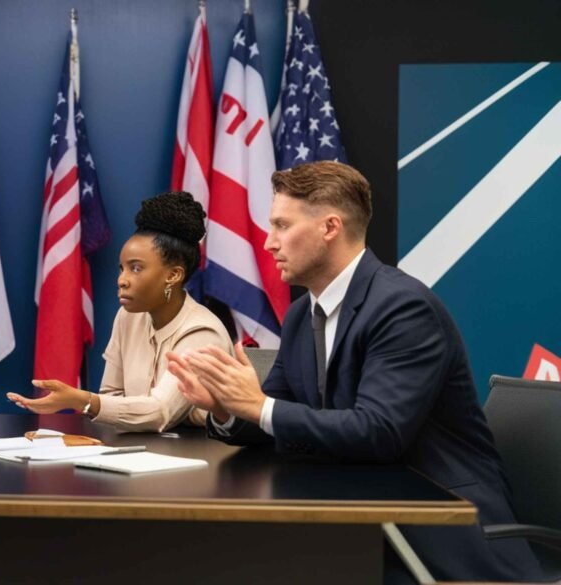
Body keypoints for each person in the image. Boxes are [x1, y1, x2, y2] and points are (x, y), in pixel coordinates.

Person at [166, 161, 541, 582]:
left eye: (282, 226)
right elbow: (276, 415)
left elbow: (379, 431)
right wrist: (226, 407)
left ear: (330, 227)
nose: (269, 243)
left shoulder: (402, 308)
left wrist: (258, 405)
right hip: (358, 514)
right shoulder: (301, 315)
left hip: (438, 529)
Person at [7, 192, 232, 432]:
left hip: (201, 451)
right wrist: (94, 403)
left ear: (173, 275)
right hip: (141, 448)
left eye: (136, 268)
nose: (122, 280)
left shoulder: (203, 333)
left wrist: (82, 400)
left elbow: (160, 412)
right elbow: (112, 394)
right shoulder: (129, 316)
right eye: (122, 268)